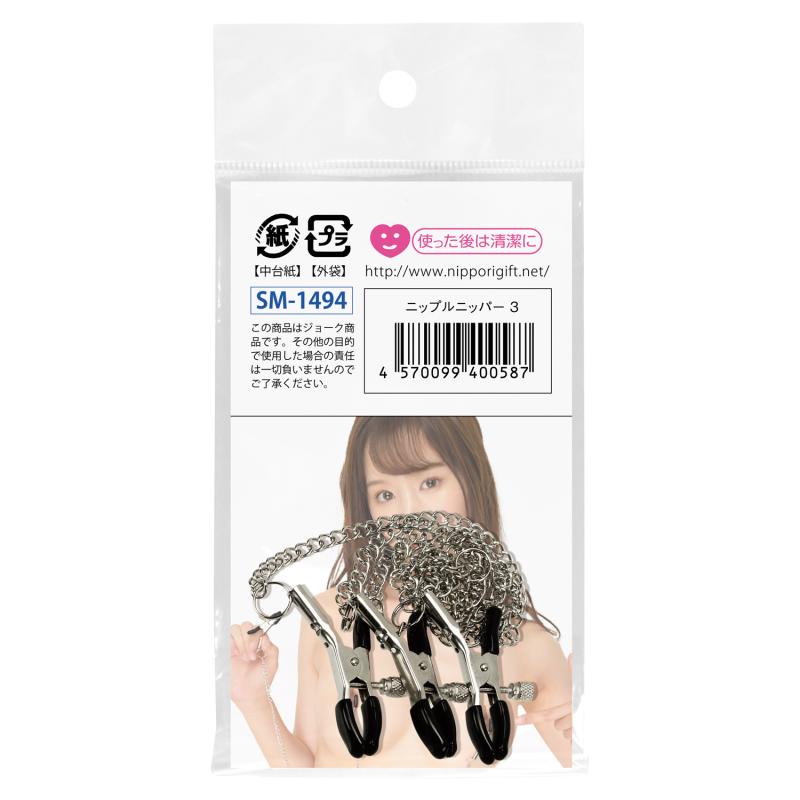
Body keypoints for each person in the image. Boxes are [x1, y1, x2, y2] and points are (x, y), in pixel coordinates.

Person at [230, 417, 573, 768]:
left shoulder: (525, 642)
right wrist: (253, 701)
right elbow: (306, 779)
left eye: (430, 482)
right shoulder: (330, 617)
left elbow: (586, 776)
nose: (408, 511)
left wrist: (590, 716)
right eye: (385, 494)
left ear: (471, 479)